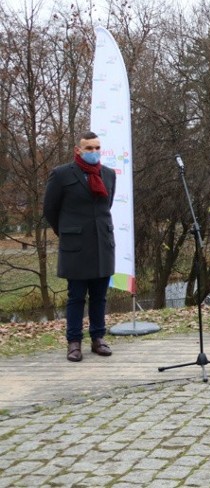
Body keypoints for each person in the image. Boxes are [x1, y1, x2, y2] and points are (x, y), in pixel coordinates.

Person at [43, 131, 116, 362]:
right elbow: (50, 209)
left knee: (99, 296)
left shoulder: (108, 174)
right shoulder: (62, 174)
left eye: (97, 148)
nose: (94, 152)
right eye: (89, 148)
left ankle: (98, 338)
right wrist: (66, 231)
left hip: (102, 244)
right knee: (76, 297)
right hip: (76, 245)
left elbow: (107, 205)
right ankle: (74, 342)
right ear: (78, 150)